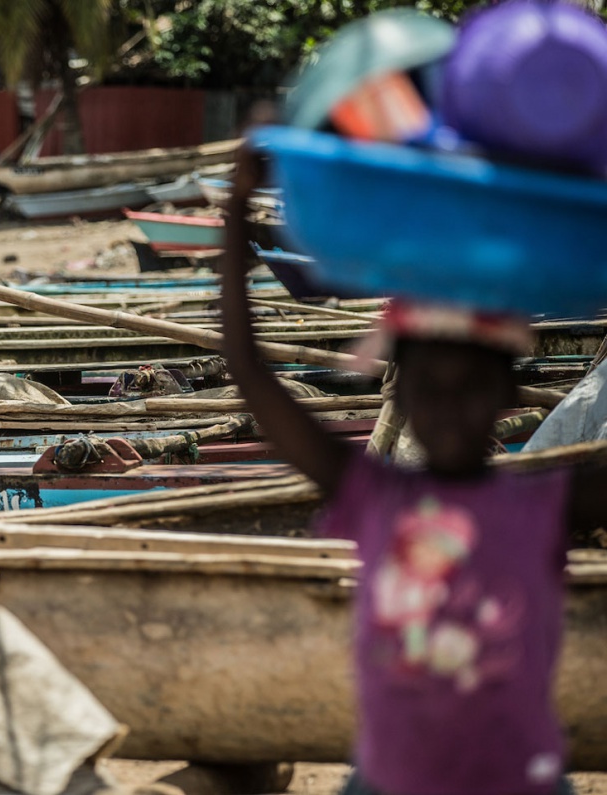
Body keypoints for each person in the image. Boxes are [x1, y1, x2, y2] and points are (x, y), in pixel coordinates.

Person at [220, 142, 607, 795]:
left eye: (470, 388)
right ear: (402, 398)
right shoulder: (373, 495)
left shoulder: (545, 504)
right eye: (431, 389)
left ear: (505, 393)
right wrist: (236, 213)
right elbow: (250, 372)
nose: (451, 410)